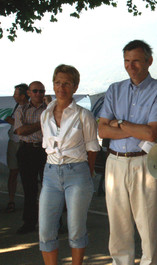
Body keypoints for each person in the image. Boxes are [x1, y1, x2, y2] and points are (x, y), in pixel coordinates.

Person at [98, 40, 157, 265]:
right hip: (114, 162)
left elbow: (152, 134)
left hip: (145, 164)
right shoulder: (114, 89)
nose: (131, 66)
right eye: (127, 61)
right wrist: (134, 129)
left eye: (136, 61)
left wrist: (119, 123)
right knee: (118, 226)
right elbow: (102, 129)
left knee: (148, 226)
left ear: (149, 62)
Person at [39, 64, 100, 265]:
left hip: (78, 173)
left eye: (66, 83)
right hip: (50, 174)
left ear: (75, 87)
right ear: (53, 84)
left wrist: (87, 173)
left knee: (76, 229)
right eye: (57, 82)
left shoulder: (84, 115)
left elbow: (92, 148)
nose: (61, 87)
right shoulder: (45, 114)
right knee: (46, 230)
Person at [14, 80, 48, 234]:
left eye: (41, 91)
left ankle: (55, 222)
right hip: (27, 151)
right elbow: (20, 131)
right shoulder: (21, 110)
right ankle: (29, 222)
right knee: (30, 189)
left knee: (50, 189)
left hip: (45, 151)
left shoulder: (49, 109)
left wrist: (32, 126)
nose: (39, 94)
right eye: (35, 91)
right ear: (28, 93)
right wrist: (42, 123)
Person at [4, 83, 29, 213]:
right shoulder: (16, 106)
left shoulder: (31, 108)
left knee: (29, 174)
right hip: (14, 143)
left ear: (23, 95)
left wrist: (10, 121)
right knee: (13, 172)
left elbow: (26, 126)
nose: (14, 96)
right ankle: (11, 200)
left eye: (16, 94)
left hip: (25, 144)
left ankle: (30, 201)